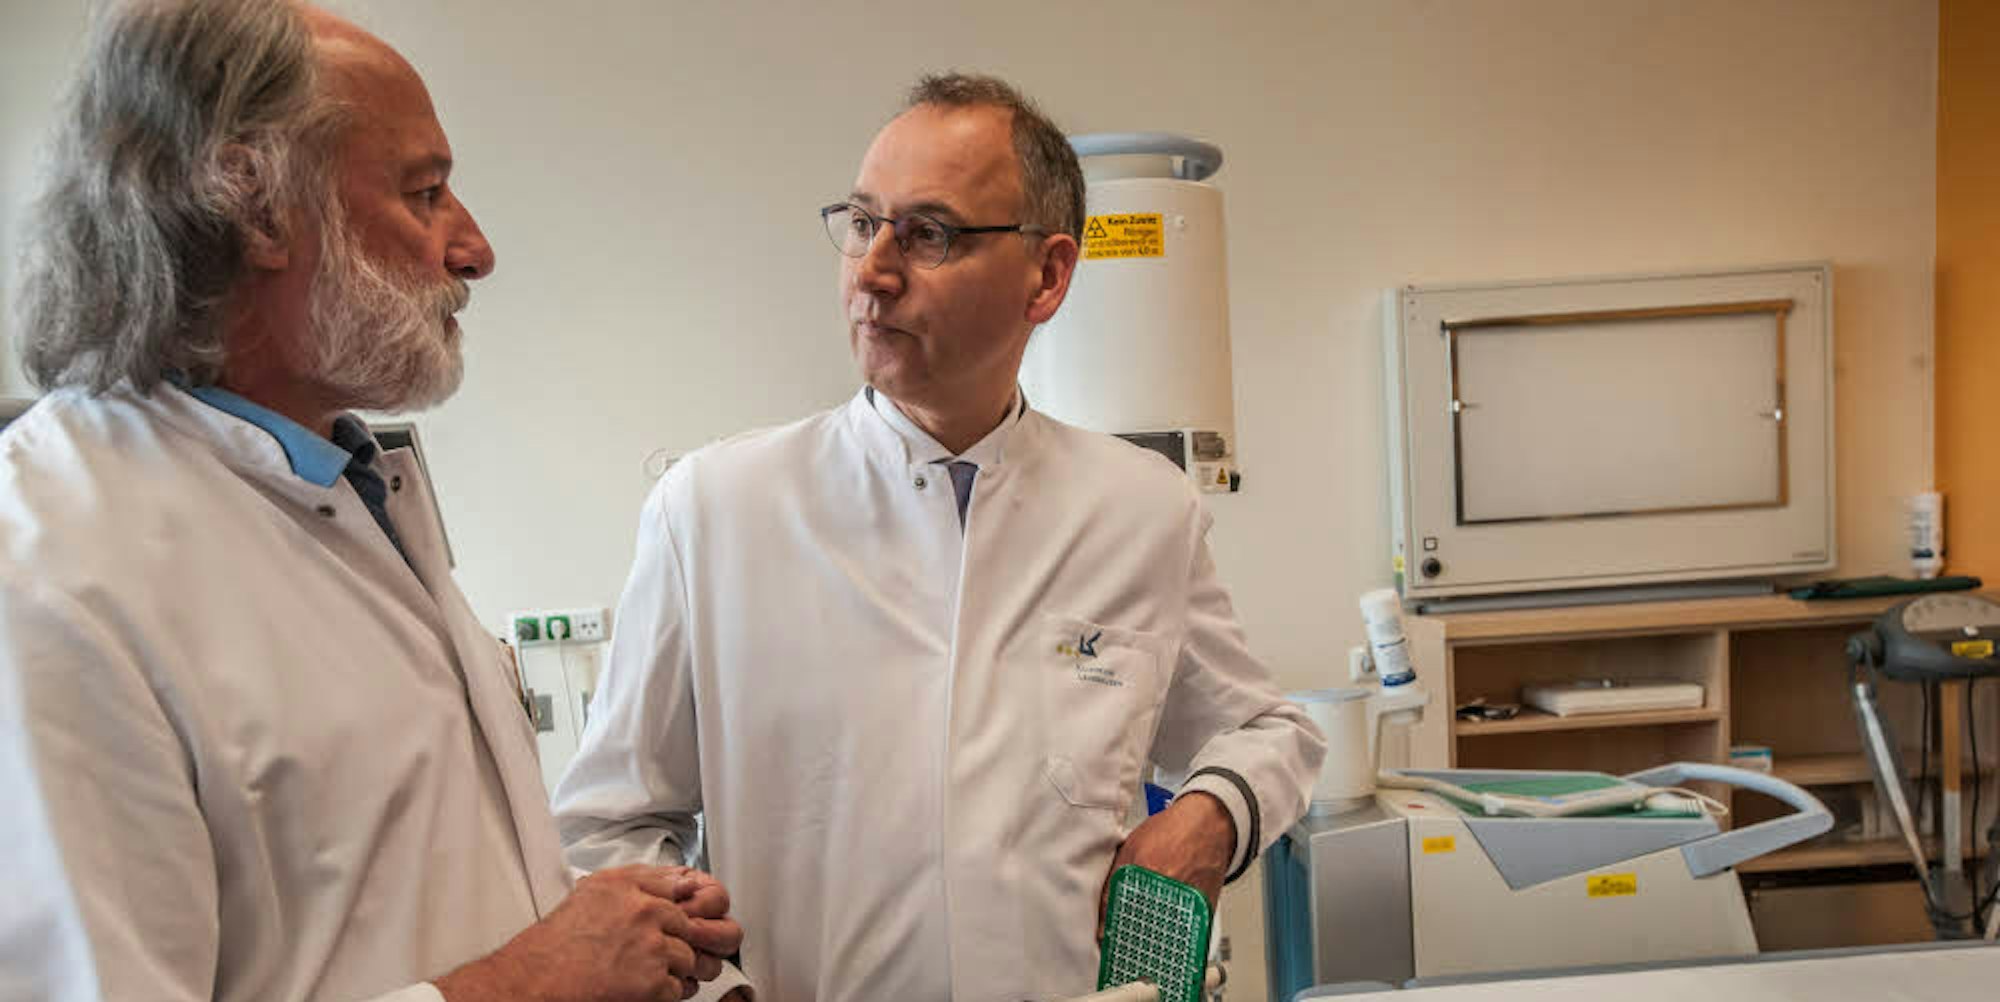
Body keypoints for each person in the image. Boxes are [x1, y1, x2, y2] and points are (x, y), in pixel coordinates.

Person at [0, 2, 746, 1000]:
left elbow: (362, 905)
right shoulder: (45, 576)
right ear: (257, 209)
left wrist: (604, 919)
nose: (473, 249)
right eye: (425, 193)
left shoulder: (346, 485)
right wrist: (532, 981)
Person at [553, 73, 1326, 1001]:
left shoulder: (1142, 511)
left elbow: (1267, 732)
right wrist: (719, 994)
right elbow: (611, 827)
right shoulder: (715, 509)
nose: (872, 271)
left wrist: (1209, 817)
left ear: (1047, 276)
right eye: (861, 223)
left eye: (929, 234)